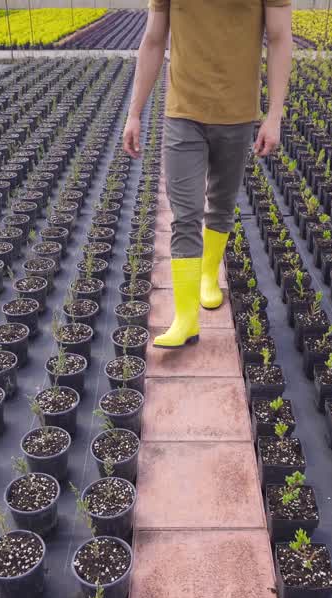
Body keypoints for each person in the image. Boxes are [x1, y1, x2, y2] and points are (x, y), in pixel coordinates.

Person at [122, 0, 293, 349]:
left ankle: (207, 275)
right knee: (185, 214)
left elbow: (279, 38)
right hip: (183, 111)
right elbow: (154, 38)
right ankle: (185, 318)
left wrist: (274, 114)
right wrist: (134, 112)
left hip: (237, 113)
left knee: (221, 204)